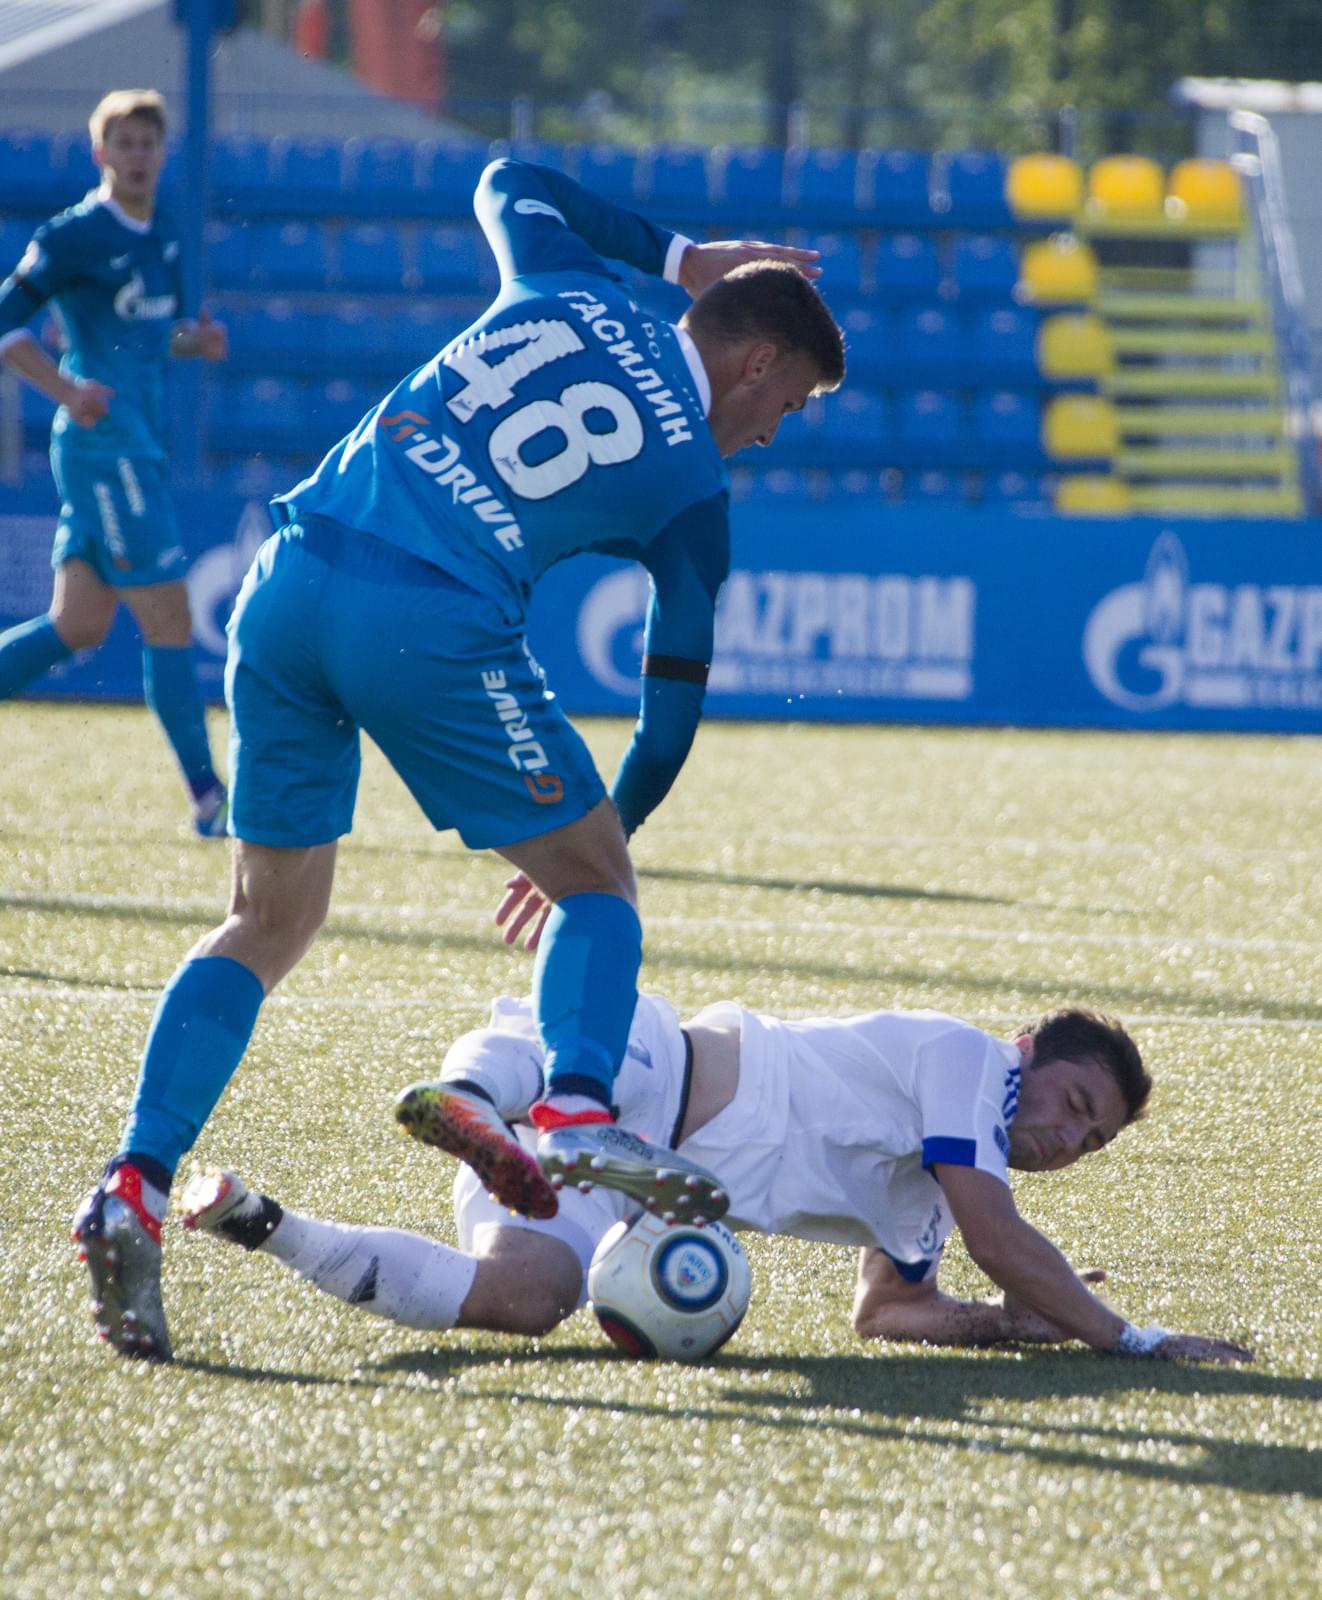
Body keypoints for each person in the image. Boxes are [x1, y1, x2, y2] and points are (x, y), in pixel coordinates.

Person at [73, 153, 845, 1360]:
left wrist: (681, 254)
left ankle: (133, 1183)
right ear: (755, 360)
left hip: (290, 578)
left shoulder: (568, 288)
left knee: (264, 925)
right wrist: (599, 844)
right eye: (785, 404)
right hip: (425, 615)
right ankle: (578, 1105)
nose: (767, 432)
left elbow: (508, 177)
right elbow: (670, 712)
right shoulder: (693, 488)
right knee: (595, 887)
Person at [174, 992, 1253, 1366]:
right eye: (1073, 1102)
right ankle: (469, 1098)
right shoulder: (969, 1064)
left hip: (626, 1187)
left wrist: (1006, 1324)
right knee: (562, 1060)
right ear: (1027, 1048)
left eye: (1093, 1139)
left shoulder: (925, 1188)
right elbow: (999, 1234)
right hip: (655, 1069)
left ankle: (266, 1223)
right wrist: (1123, 1335)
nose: (1070, 1137)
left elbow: (887, 1312)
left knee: (523, 1300)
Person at [0, 89, 229, 836]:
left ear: (163, 154)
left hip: (136, 442)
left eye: (148, 144)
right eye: (123, 144)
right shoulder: (75, 236)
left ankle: (207, 794)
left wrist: (193, 343)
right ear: (100, 154)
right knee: (171, 617)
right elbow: (9, 326)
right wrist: (65, 389)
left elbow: (142, 338)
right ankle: (209, 796)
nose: (137, 156)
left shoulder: (162, 230)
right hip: (108, 448)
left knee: (78, 622)